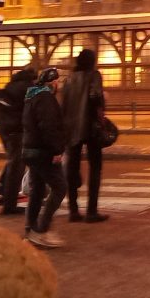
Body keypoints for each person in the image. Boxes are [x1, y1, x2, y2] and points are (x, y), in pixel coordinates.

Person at [60, 48, 109, 224]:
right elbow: (95, 96)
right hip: (91, 127)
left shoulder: (69, 79)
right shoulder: (93, 75)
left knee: (72, 169)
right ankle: (91, 211)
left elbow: (63, 105)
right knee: (95, 168)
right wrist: (101, 110)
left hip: (71, 128)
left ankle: (73, 211)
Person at [22, 67, 66, 248]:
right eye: (57, 82)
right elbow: (49, 127)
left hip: (30, 150)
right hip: (43, 152)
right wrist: (57, 150)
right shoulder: (46, 98)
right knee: (60, 187)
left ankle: (31, 230)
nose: (58, 85)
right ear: (52, 83)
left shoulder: (31, 97)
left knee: (37, 191)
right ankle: (42, 230)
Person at [0, 67, 37, 215]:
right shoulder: (28, 87)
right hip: (17, 130)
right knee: (17, 166)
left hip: (6, 130)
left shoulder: (11, 86)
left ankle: (2, 189)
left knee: (13, 161)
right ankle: (9, 205)